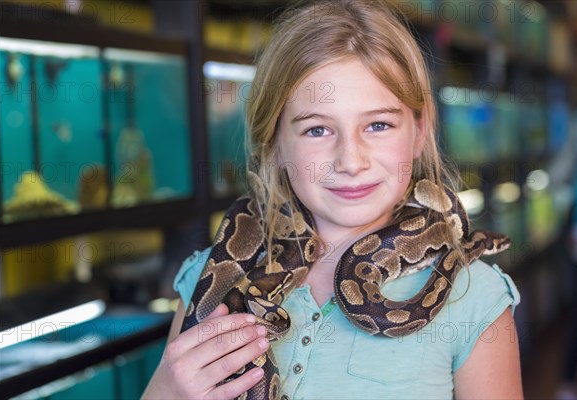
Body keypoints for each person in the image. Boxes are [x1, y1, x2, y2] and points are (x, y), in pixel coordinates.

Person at [142, 1, 523, 398]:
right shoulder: (207, 277)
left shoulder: (474, 297)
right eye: (317, 130)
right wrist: (167, 390)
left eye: (378, 124)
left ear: (419, 131)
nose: (350, 161)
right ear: (273, 145)